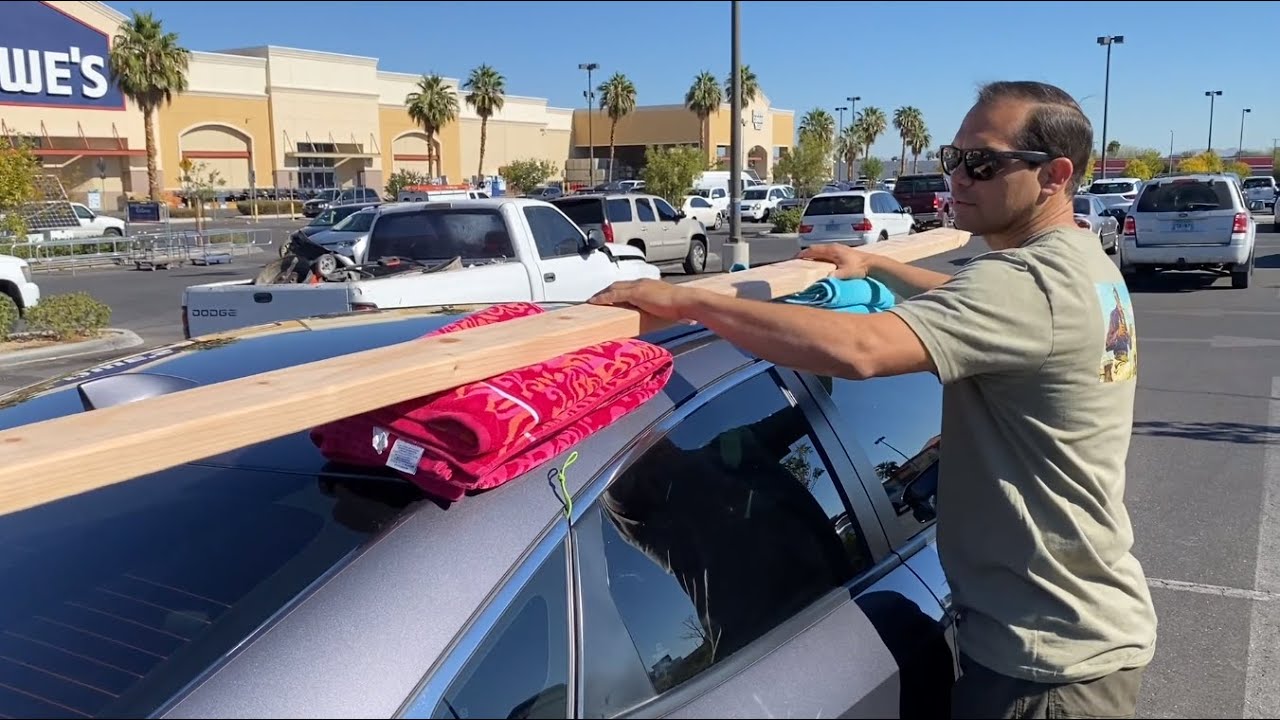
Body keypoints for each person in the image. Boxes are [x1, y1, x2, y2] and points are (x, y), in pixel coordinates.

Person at [587, 80, 1157, 719]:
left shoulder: (1027, 283)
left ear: (1053, 175)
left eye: (983, 162)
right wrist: (876, 268)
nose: (958, 176)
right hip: (1080, 627)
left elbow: (859, 349)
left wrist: (690, 300)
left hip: (1043, 667)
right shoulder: (1081, 264)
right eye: (954, 156)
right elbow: (965, 298)